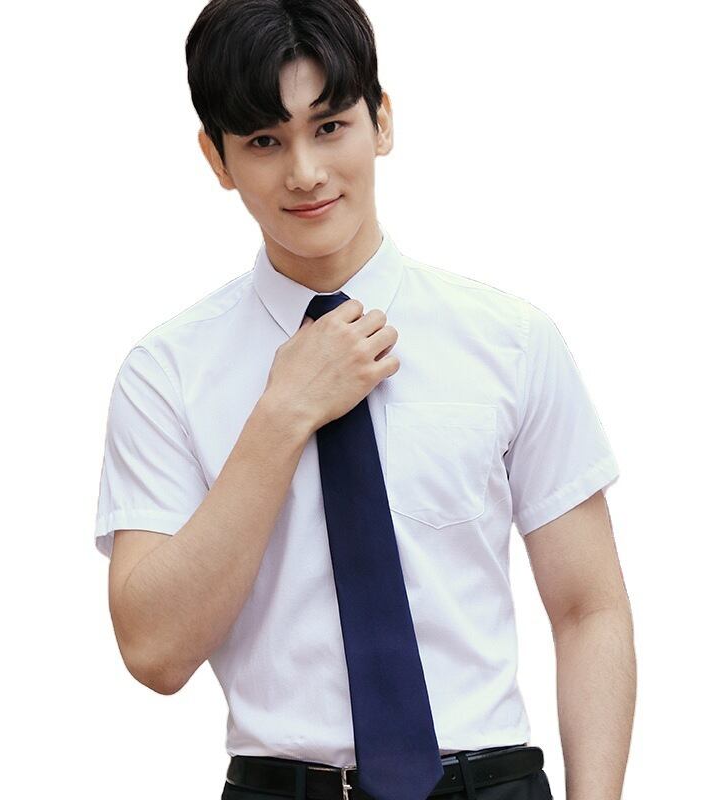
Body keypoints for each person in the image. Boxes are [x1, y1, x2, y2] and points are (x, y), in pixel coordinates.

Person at [93, 1, 636, 799]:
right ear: (216, 158)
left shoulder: (511, 341)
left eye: (329, 127)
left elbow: (589, 609)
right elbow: (155, 653)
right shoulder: (166, 373)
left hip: (488, 781)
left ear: (381, 121)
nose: (305, 172)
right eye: (264, 141)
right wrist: (283, 415)